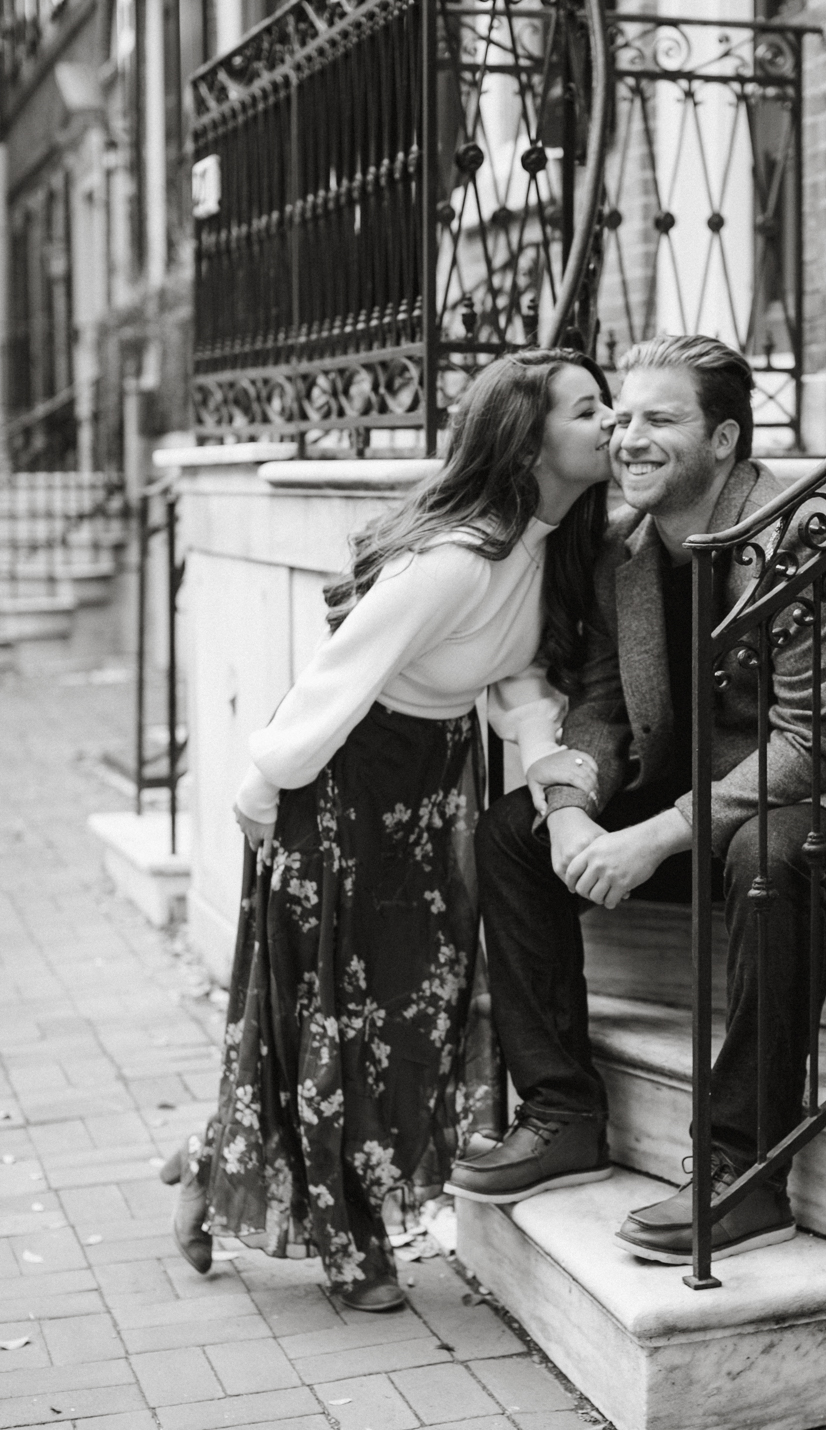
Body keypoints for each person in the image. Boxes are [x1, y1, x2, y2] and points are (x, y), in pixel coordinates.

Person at [449, 334, 826, 1263]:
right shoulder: (624, 549)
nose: (630, 438)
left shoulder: (803, 537)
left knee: (771, 856)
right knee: (511, 833)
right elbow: (600, 703)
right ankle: (562, 1113)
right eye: (623, 417)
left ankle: (743, 1167)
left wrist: (656, 836)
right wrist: (570, 801)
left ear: (723, 441)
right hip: (703, 807)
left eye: (661, 419)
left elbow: (819, 746)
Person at [170, 349, 614, 1308]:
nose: (612, 423)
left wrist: (548, 774)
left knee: (421, 1004)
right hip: (338, 785)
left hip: (427, 786)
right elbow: (343, 670)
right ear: (530, 442)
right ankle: (350, 1242)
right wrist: (265, 784)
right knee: (331, 1012)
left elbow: (518, 680)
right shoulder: (455, 559)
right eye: (589, 410)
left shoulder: (552, 545)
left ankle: (215, 1160)